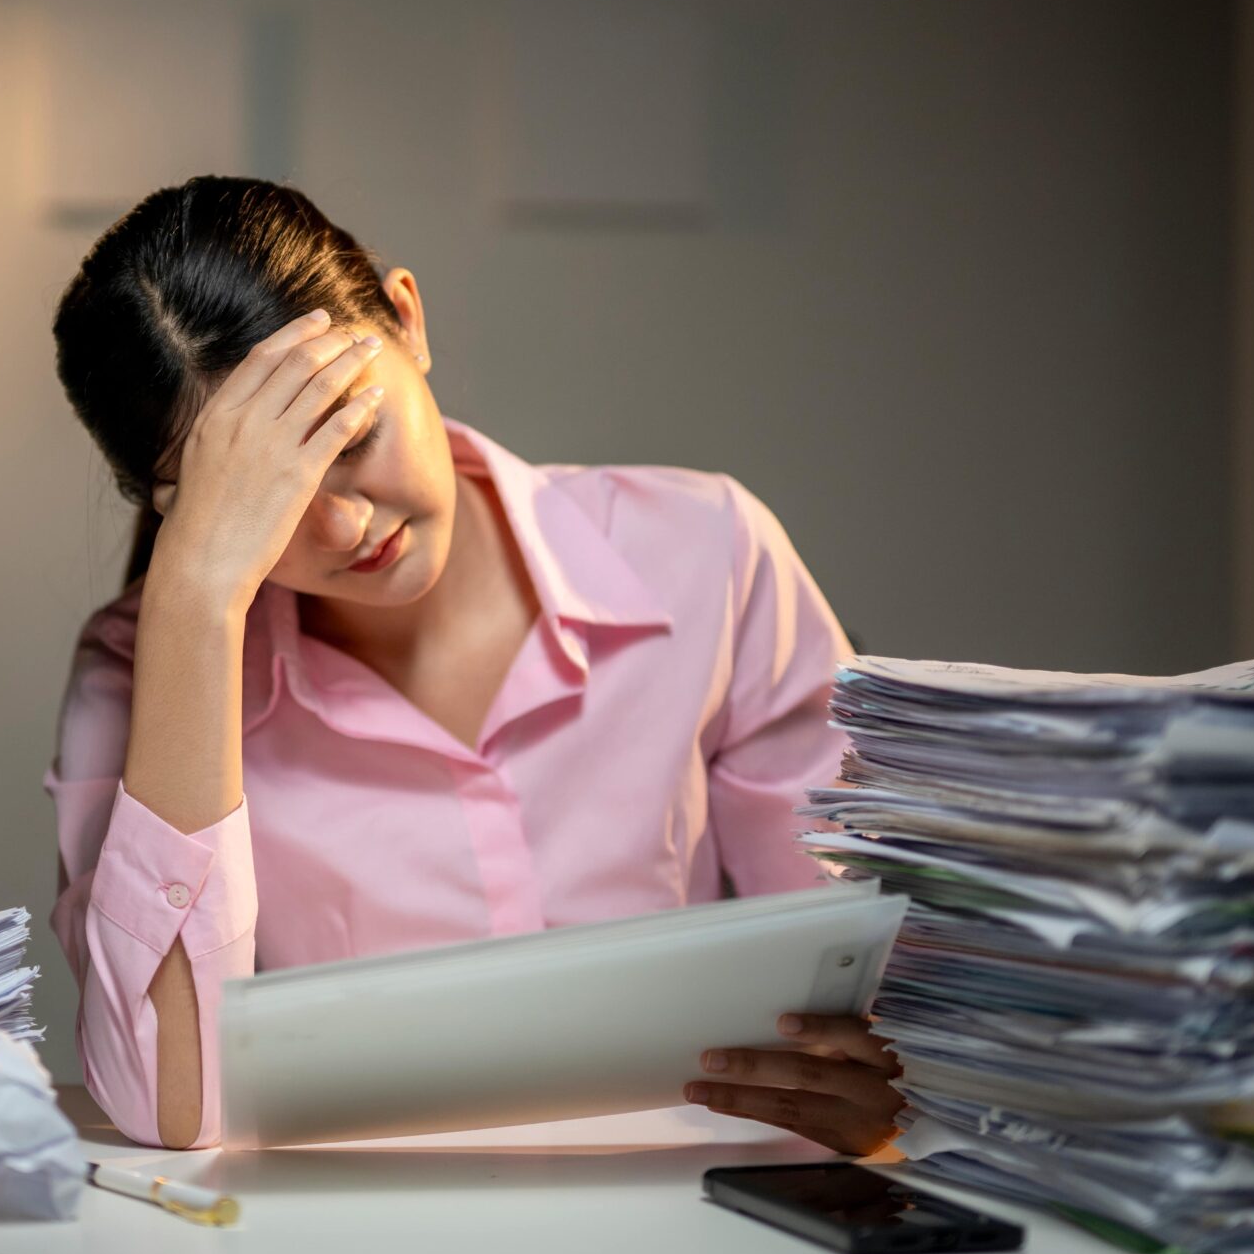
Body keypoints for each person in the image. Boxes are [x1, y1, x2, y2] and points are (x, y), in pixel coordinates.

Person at [45, 176, 903, 1151]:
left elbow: (863, 969)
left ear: (406, 322)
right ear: (178, 511)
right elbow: (170, 1107)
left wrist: (886, 1070)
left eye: (352, 433)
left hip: (694, 1212)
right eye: (262, 495)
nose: (344, 524)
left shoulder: (708, 551)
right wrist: (195, 601)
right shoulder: (139, 669)